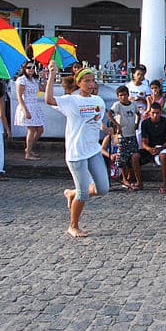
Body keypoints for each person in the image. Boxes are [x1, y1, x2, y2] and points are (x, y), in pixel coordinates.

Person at [44, 62, 110, 237]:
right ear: (79, 83)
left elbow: (97, 120)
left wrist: (105, 128)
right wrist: (52, 75)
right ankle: (73, 225)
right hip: (76, 153)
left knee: (103, 188)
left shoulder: (99, 101)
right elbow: (49, 99)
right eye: (86, 81)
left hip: (93, 150)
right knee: (83, 194)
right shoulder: (71, 100)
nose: (91, 84)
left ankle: (71, 193)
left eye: (93, 81)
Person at [107, 85, 142, 190]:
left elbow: (138, 114)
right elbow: (109, 114)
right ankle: (124, 179)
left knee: (133, 157)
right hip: (122, 136)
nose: (123, 97)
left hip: (132, 135)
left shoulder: (133, 105)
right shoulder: (117, 105)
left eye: (125, 95)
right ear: (118, 96)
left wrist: (137, 123)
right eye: (121, 95)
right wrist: (117, 125)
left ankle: (133, 179)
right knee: (122, 158)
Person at [138, 102, 166, 193]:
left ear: (160, 112)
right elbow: (143, 141)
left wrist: (159, 149)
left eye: (157, 113)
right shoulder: (145, 123)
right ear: (149, 113)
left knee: (163, 156)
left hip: (162, 147)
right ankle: (139, 183)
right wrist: (149, 149)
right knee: (134, 157)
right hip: (150, 148)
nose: (155, 115)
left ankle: (165, 184)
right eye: (153, 113)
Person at [14, 62, 45, 160]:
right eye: (28, 67)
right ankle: (28, 153)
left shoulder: (34, 80)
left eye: (33, 67)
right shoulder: (22, 80)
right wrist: (25, 110)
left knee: (40, 130)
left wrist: (45, 77)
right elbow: (19, 96)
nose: (31, 69)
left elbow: (43, 89)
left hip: (35, 106)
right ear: (24, 69)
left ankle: (29, 149)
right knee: (31, 130)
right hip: (27, 105)